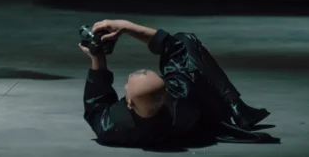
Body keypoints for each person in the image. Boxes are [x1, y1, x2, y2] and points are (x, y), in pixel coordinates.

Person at [80, 18, 278, 148]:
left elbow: (95, 104)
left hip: (192, 121)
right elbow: (176, 46)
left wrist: (97, 58)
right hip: (206, 111)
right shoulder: (183, 96)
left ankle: (236, 106)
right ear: (168, 92)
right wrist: (126, 27)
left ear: (129, 103)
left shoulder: (113, 128)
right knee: (186, 40)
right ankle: (235, 104)